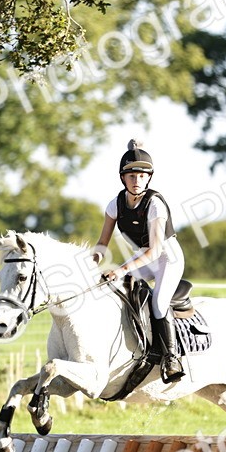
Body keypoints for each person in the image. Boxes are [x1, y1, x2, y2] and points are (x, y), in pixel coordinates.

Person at [92, 139, 186, 383]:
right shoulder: (115, 204)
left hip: (167, 258)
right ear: (123, 178)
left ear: (149, 178)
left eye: (142, 176)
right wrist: (93, 261)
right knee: (116, 291)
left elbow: (155, 252)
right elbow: (102, 242)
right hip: (142, 258)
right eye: (132, 175)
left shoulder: (155, 204)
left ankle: (171, 358)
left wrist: (121, 268)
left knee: (158, 302)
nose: (137, 180)